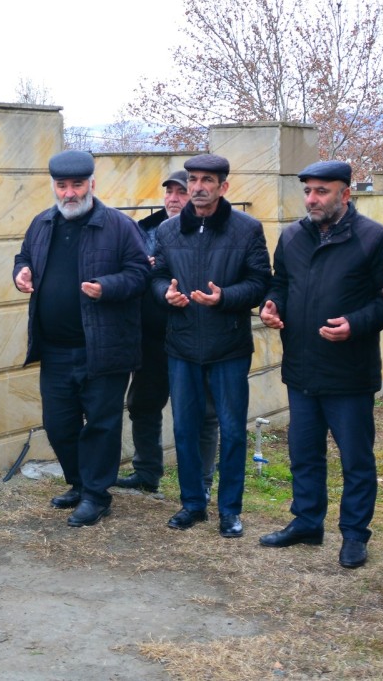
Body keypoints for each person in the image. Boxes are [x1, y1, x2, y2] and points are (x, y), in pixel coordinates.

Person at [258, 160, 383, 569]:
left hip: (349, 372)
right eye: (307, 191)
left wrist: (356, 324)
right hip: (301, 366)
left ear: (345, 193)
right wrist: (272, 306)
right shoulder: (291, 237)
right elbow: (279, 284)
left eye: (321, 191)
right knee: (304, 453)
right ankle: (307, 521)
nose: (312, 199)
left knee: (356, 458)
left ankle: (355, 534)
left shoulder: (375, 239)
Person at [13, 150, 149, 527]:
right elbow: (23, 256)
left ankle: (96, 495)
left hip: (103, 348)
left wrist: (107, 286)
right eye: (62, 185)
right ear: (54, 186)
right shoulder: (42, 223)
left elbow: (140, 274)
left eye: (77, 184)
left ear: (92, 183)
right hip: (54, 348)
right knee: (59, 423)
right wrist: (21, 272)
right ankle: (77, 482)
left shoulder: (120, 226)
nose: (69, 193)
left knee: (102, 425)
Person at [151, 154, 270, 538]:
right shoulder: (169, 231)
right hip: (182, 344)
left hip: (229, 346)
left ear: (224, 186)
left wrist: (225, 297)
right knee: (184, 429)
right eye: (192, 179)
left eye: (206, 180)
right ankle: (192, 504)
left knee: (233, 431)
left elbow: (259, 283)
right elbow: (157, 275)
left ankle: (230, 510)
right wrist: (165, 293)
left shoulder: (247, 229)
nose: (198, 186)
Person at [117, 170, 218, 495]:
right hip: (152, 336)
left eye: (182, 192)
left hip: (196, 335)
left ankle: (200, 484)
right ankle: (147, 474)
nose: (174, 198)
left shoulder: (215, 230)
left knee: (202, 412)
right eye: (170, 192)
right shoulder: (143, 230)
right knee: (143, 404)